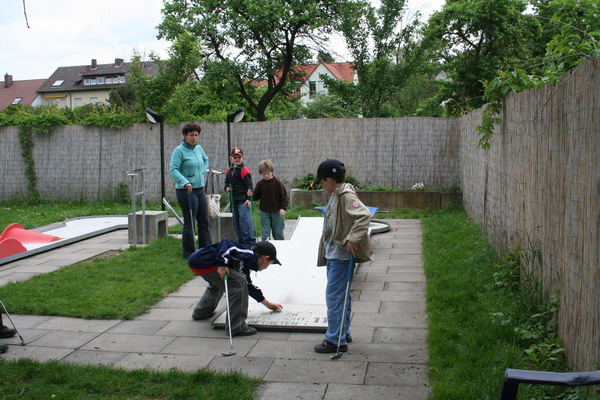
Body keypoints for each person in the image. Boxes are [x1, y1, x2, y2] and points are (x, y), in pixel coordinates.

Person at [312, 159, 373, 354]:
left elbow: (363, 215)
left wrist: (353, 239)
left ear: (329, 180)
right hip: (333, 255)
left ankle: (334, 340)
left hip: (341, 257)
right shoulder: (335, 195)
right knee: (342, 296)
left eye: (321, 182)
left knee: (334, 298)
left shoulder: (346, 196)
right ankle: (342, 333)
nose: (321, 186)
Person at [188, 238, 283, 336]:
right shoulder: (248, 253)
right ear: (265, 258)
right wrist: (222, 265)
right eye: (270, 264)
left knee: (220, 284)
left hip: (197, 262)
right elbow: (225, 242)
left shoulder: (245, 264)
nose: (267, 267)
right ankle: (237, 327)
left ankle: (202, 312)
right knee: (238, 283)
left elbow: (249, 286)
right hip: (205, 262)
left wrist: (269, 305)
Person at [169, 122, 212, 259]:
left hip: (200, 190)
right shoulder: (179, 151)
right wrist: (185, 181)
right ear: (185, 136)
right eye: (191, 135)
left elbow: (205, 160)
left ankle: (206, 251)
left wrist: (202, 172)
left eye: (196, 135)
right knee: (190, 222)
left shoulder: (198, 148)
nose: (194, 137)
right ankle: (189, 254)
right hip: (186, 191)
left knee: (204, 220)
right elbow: (173, 170)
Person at [224, 148, 256, 246]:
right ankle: (241, 243)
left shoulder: (244, 170)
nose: (237, 159)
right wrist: (226, 188)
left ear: (243, 158)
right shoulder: (229, 171)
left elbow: (249, 186)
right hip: (234, 202)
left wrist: (249, 199)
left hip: (243, 201)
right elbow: (226, 183)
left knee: (245, 222)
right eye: (235, 157)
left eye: (239, 157)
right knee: (236, 223)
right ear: (231, 159)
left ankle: (250, 243)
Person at [253, 160, 289, 241]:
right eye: (264, 174)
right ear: (261, 174)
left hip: (277, 212)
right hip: (264, 212)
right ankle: (265, 248)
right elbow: (255, 196)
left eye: (268, 173)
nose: (266, 176)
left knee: (277, 232)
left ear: (272, 172)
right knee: (265, 232)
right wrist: (250, 195)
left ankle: (281, 247)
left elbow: (284, 197)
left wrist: (283, 208)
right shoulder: (260, 184)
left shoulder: (278, 183)